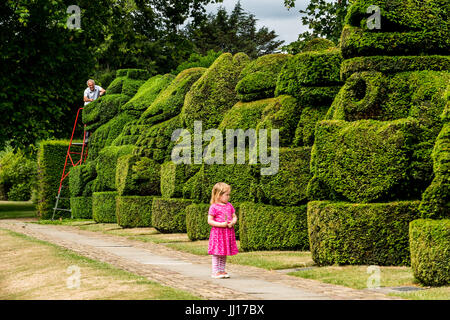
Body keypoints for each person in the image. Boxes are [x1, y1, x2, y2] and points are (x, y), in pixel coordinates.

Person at [207, 182, 238, 279]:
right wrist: (221, 224)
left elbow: (234, 216)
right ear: (219, 195)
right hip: (218, 233)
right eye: (226, 195)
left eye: (229, 194)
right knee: (217, 252)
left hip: (227, 233)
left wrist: (232, 222)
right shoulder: (214, 207)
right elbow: (209, 220)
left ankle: (221, 270)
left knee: (224, 252)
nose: (228, 197)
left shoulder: (229, 206)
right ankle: (215, 271)